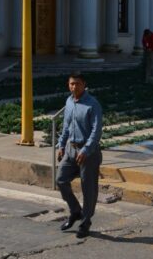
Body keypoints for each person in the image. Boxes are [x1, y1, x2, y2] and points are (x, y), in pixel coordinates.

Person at [56, 72, 103, 239]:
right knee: (60, 179)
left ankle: (85, 222)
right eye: (71, 84)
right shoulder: (69, 101)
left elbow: (96, 131)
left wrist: (86, 150)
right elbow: (66, 125)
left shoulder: (92, 104)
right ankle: (75, 211)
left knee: (88, 189)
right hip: (70, 149)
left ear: (84, 84)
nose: (73, 87)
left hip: (88, 152)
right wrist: (61, 145)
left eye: (77, 84)